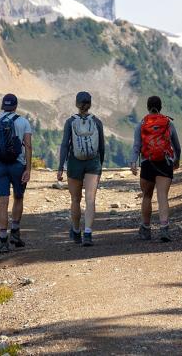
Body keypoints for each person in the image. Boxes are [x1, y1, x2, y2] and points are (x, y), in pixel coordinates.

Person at [0, 93, 32, 253]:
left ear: (2, 106)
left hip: (0, 166)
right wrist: (28, 168)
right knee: (18, 197)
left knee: (2, 204)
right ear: (15, 106)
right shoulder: (23, 122)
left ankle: (3, 240)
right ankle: (15, 233)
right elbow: (29, 146)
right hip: (18, 165)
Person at [57, 91, 105, 246]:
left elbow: (65, 145)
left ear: (76, 104)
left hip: (74, 162)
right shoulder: (97, 122)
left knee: (75, 199)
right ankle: (89, 233)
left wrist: (60, 167)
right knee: (90, 199)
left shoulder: (70, 122)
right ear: (90, 104)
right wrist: (100, 165)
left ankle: (76, 231)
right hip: (93, 162)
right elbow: (102, 146)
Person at [130, 95, 181, 242]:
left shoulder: (141, 124)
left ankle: (146, 229)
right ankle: (164, 229)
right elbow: (176, 146)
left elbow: (136, 146)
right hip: (165, 162)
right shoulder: (168, 123)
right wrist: (176, 160)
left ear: (147, 107)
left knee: (147, 196)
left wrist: (133, 162)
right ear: (160, 107)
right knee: (162, 196)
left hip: (147, 163)